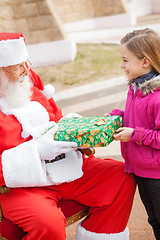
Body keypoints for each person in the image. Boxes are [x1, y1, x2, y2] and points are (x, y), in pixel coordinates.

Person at [0, 32, 136, 240]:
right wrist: (36, 152)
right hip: (21, 187)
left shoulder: (27, 83)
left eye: (25, 63)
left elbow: (56, 118)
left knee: (120, 176)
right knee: (48, 223)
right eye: (17, 66)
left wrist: (78, 134)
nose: (25, 71)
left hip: (64, 168)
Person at [108, 28, 160, 240]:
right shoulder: (136, 87)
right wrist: (117, 116)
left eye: (125, 60)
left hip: (156, 174)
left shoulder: (157, 95)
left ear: (145, 61)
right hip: (141, 170)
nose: (122, 65)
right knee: (154, 220)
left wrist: (134, 134)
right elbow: (138, 117)